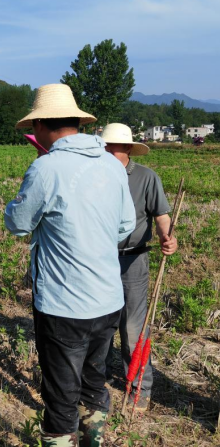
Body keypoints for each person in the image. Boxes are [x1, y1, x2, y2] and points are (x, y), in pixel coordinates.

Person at [4, 84, 136, 447]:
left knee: (61, 398)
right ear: (77, 122)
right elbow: (126, 225)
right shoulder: (112, 165)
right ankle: (92, 440)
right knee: (94, 384)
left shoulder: (46, 168)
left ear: (43, 124)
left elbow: (18, 223)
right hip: (108, 300)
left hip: (64, 306)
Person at [102, 123, 178, 411]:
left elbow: (161, 214)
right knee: (101, 324)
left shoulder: (146, 177)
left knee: (133, 328)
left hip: (133, 260)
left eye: (115, 147)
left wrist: (166, 237)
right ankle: (101, 377)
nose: (109, 151)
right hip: (100, 259)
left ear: (129, 150)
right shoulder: (96, 175)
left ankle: (139, 389)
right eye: (105, 147)